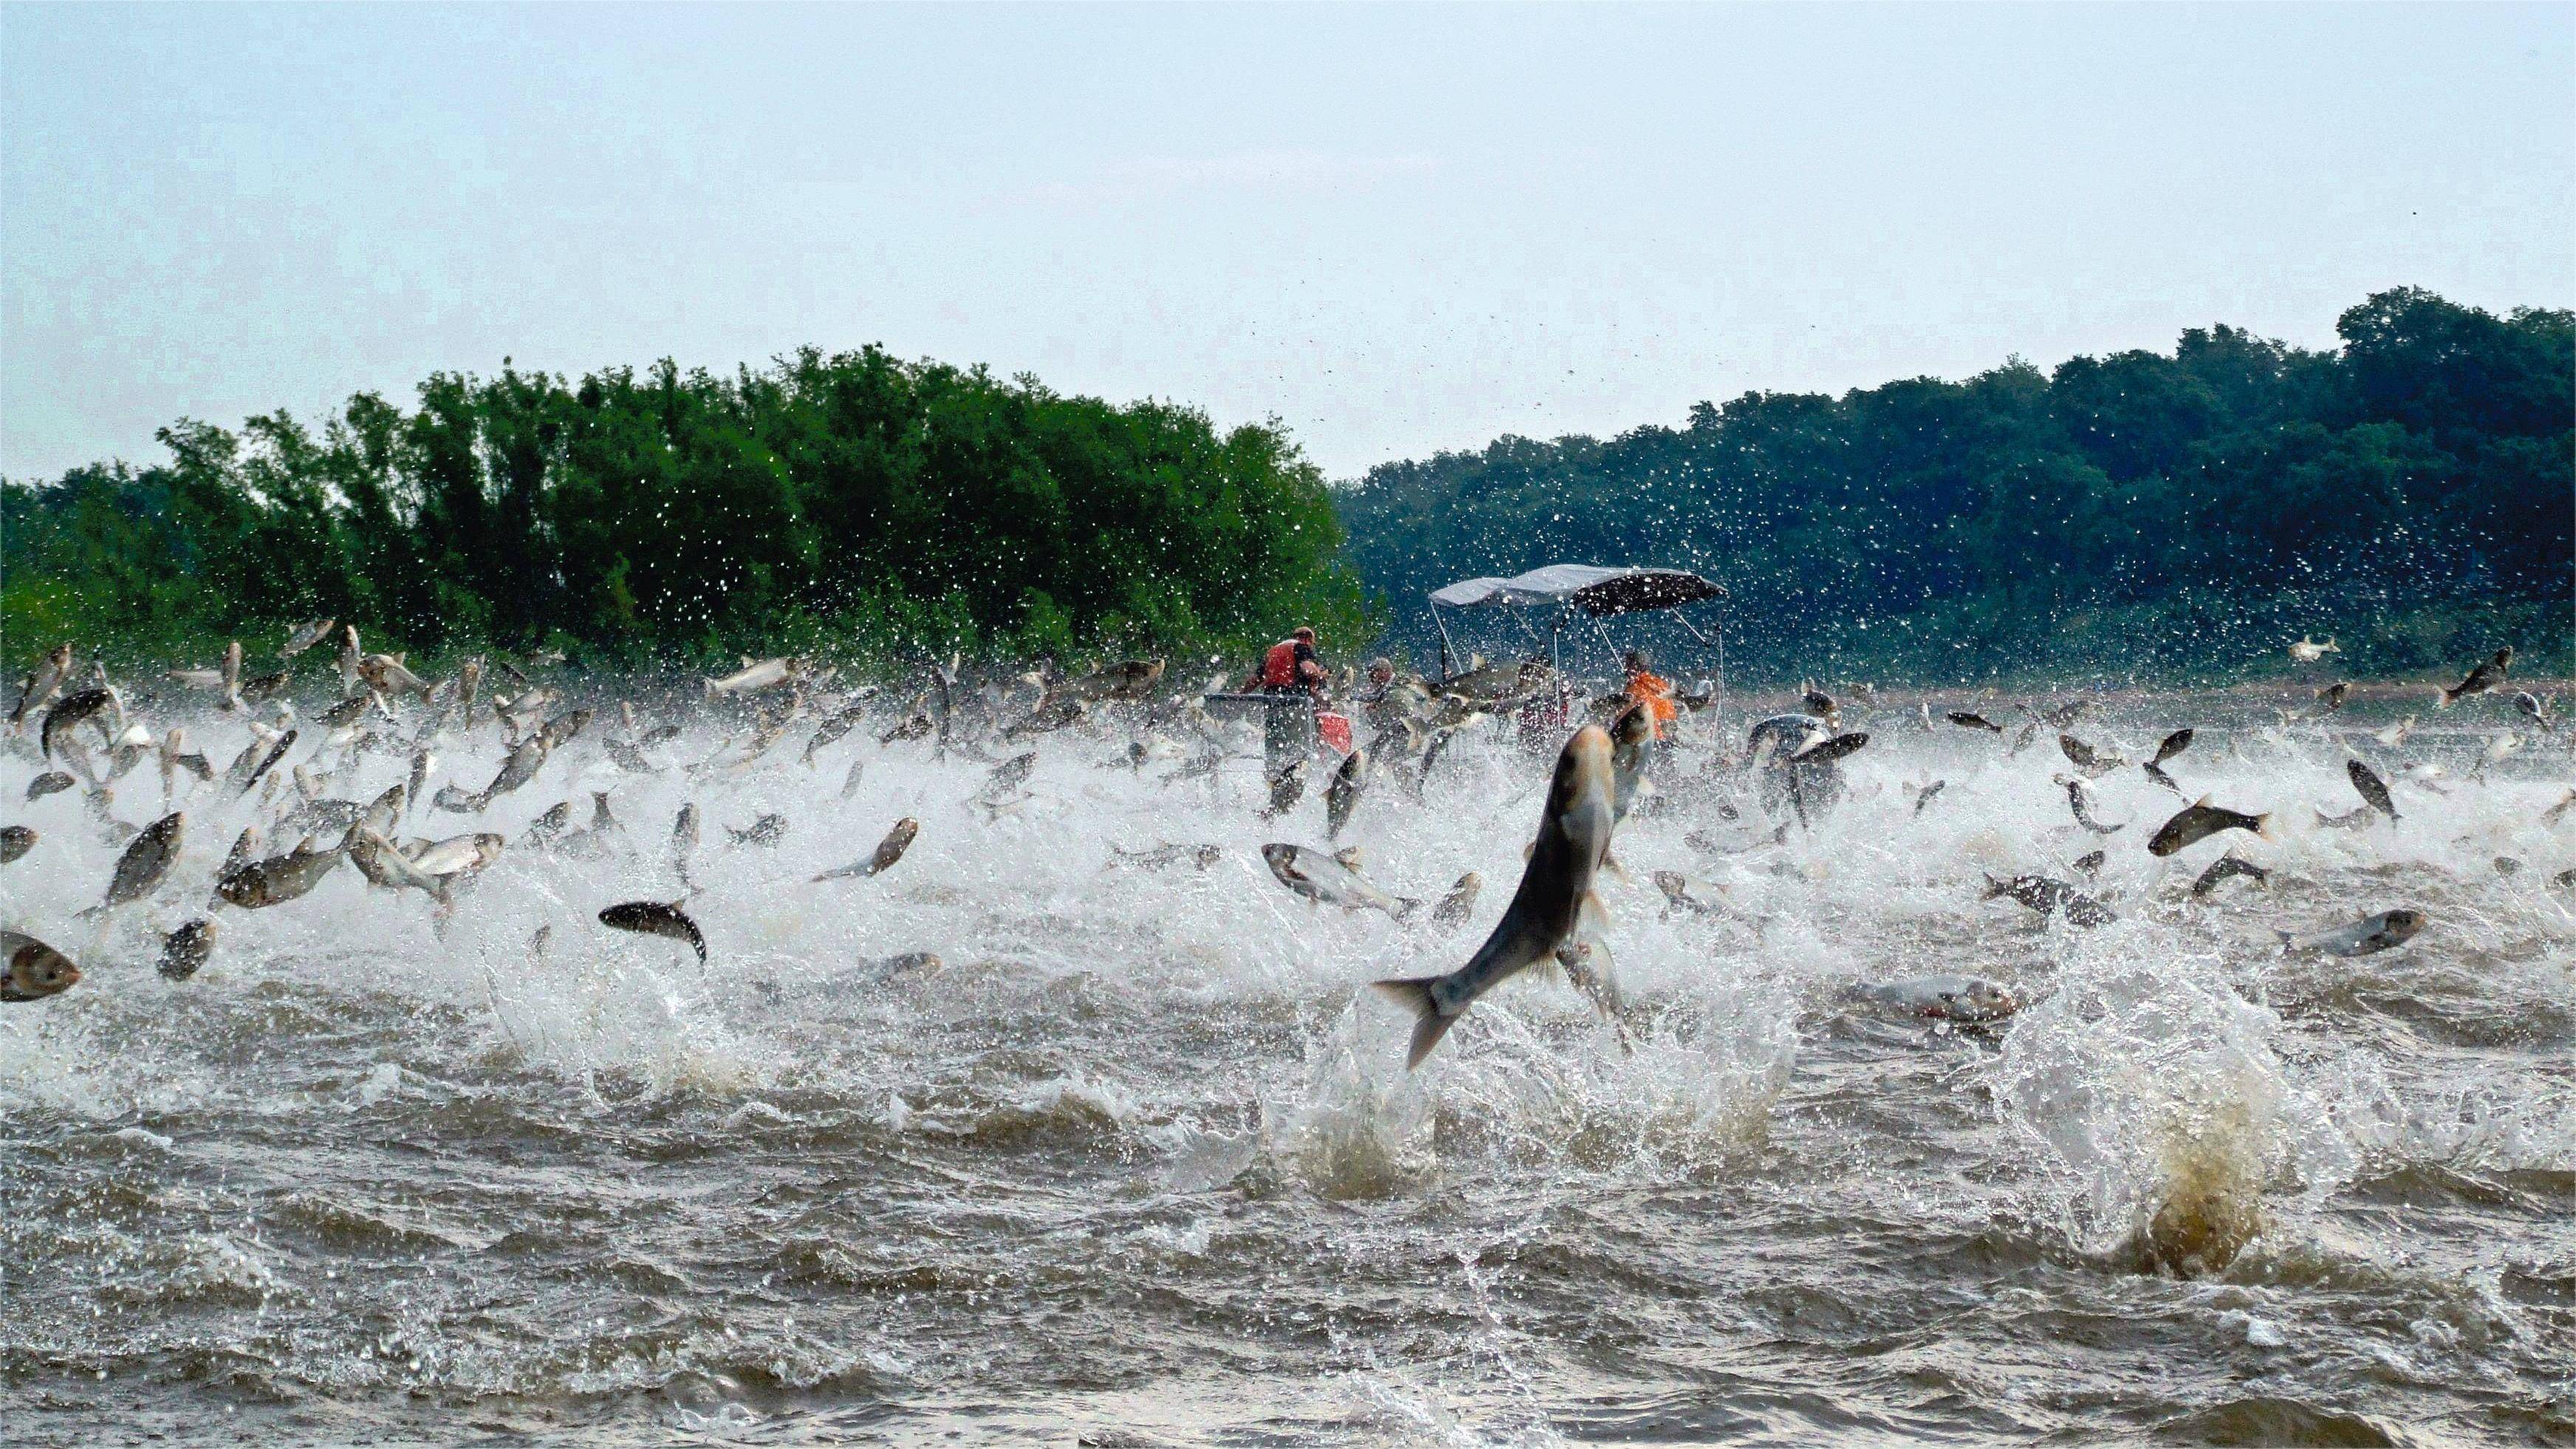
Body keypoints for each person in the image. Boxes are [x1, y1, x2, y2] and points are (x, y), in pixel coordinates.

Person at [1247, 626, 1328, 699]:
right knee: (1322, 691)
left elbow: (1255, 680)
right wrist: (1321, 674)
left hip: (1271, 697)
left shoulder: (1273, 651)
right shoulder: (1302, 648)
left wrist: (1242, 695)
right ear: (1308, 640)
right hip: (1294, 697)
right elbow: (1308, 670)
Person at [1624, 650, 1677, 741]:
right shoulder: (1660, 683)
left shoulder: (1634, 689)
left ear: (1633, 666)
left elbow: (1624, 718)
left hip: (1650, 739)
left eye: (1628, 664)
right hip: (1670, 737)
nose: (1625, 667)